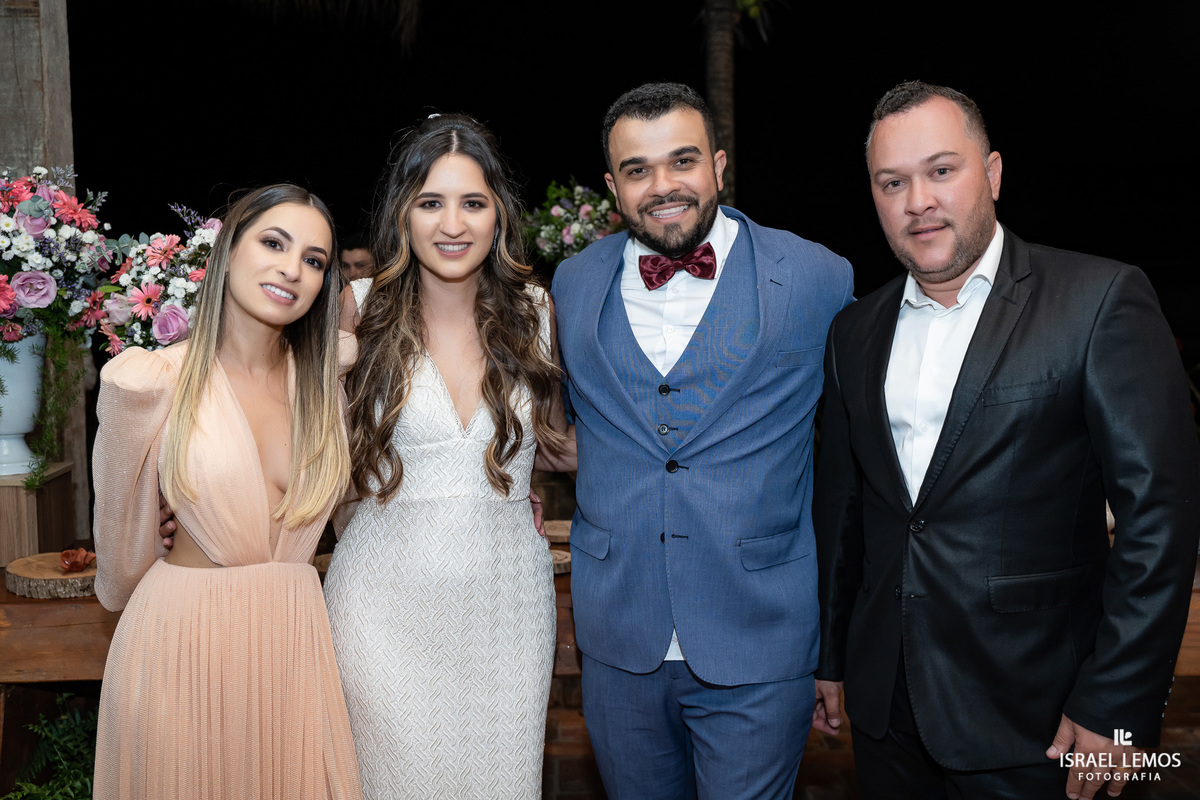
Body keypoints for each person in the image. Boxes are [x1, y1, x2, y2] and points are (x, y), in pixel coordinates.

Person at [813, 80, 1200, 800]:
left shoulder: (1098, 300)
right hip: (885, 712)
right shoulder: (853, 332)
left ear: (991, 173)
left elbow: (1159, 517)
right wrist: (832, 657)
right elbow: (846, 511)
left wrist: (1117, 703)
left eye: (941, 170)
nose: (918, 201)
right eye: (892, 182)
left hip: (1041, 716)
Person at [551, 82, 854, 799]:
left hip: (760, 635)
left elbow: (851, 458)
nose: (663, 185)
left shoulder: (816, 277)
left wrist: (838, 646)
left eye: (682, 161)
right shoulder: (572, 283)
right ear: (612, 188)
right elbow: (552, 424)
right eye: (638, 169)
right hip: (618, 637)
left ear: (718, 166)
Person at [321, 113, 571, 799]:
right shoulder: (358, 308)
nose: (452, 224)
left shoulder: (538, 313)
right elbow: (317, 453)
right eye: (431, 202)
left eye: (473, 203)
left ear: (499, 214)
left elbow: (563, 446)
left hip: (507, 609)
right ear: (403, 213)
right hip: (381, 608)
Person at [92, 184, 363, 799]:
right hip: (181, 649)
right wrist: (161, 534)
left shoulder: (325, 388)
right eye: (274, 243)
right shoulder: (153, 381)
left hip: (295, 648)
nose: (292, 269)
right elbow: (119, 560)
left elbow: (358, 515)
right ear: (227, 252)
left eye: (314, 260)